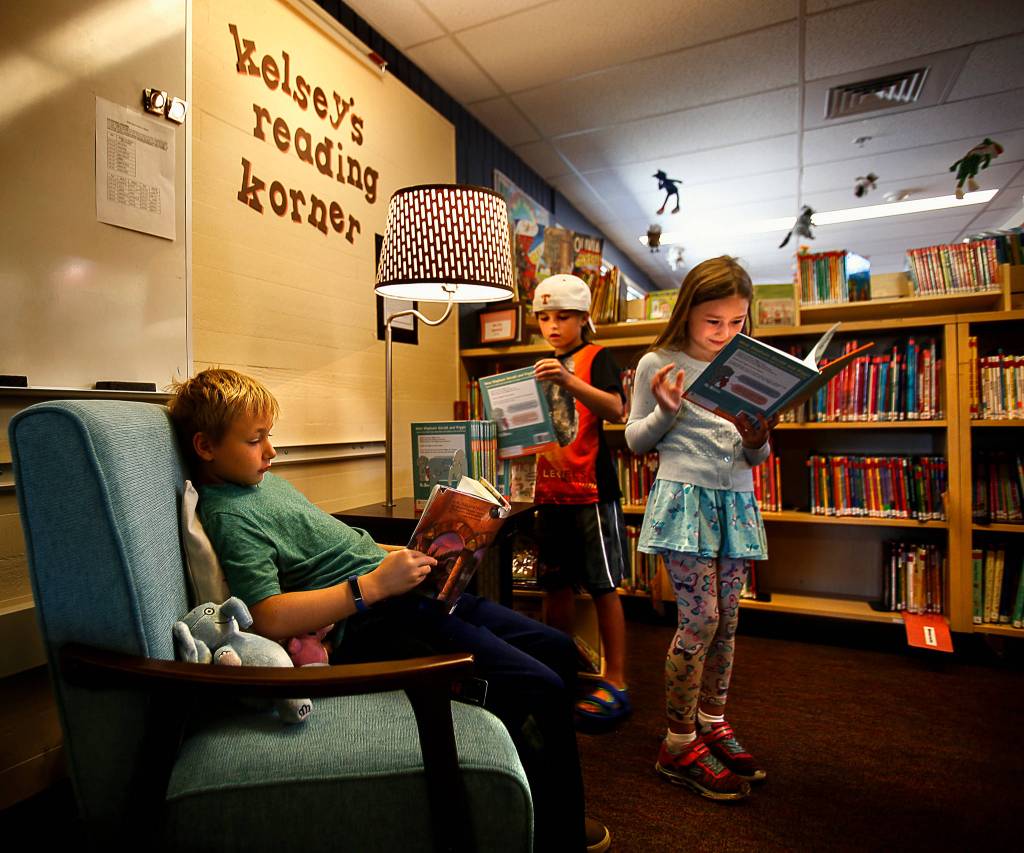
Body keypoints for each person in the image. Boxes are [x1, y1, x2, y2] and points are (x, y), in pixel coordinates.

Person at [167, 367, 610, 853]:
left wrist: (411, 551)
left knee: (557, 648)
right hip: (377, 619)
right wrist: (371, 586)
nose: (271, 450)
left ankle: (540, 795)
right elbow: (266, 614)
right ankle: (553, 832)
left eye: (269, 436)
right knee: (538, 685)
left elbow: (335, 546)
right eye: (256, 440)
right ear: (206, 447)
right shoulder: (228, 512)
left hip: (404, 590)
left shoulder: (261, 484)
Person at [625, 256, 776, 801]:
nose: (725, 334)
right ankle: (678, 741)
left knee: (729, 620)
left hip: (736, 501)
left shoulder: (748, 362)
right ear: (687, 312)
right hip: (684, 501)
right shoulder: (657, 362)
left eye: (737, 323)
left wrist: (757, 436)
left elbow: (756, 455)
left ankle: (712, 721)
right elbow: (635, 442)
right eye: (713, 322)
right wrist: (666, 410)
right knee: (701, 618)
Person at [530, 274, 631, 730]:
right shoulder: (541, 365)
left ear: (584, 318)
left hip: (591, 490)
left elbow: (616, 409)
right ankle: (557, 666)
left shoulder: (597, 357)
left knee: (604, 584)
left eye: (563, 316)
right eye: (544, 317)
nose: (553, 325)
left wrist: (569, 379)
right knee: (555, 584)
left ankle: (616, 679)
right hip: (549, 490)